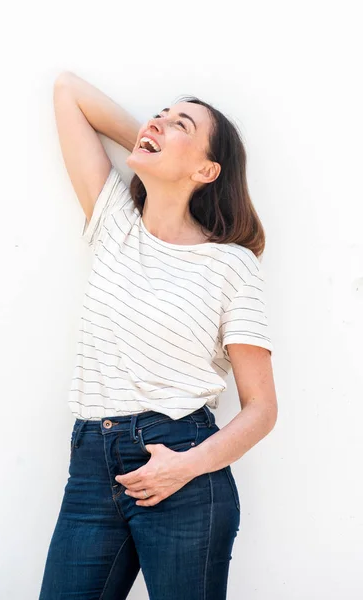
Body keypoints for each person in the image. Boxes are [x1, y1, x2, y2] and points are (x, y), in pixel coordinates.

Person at [38, 71, 278, 600]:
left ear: (208, 169)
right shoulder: (115, 225)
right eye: (160, 114)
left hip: (183, 461)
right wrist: (152, 145)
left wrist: (186, 467)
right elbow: (68, 91)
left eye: (180, 122)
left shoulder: (231, 265)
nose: (159, 121)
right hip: (91, 465)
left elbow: (261, 407)